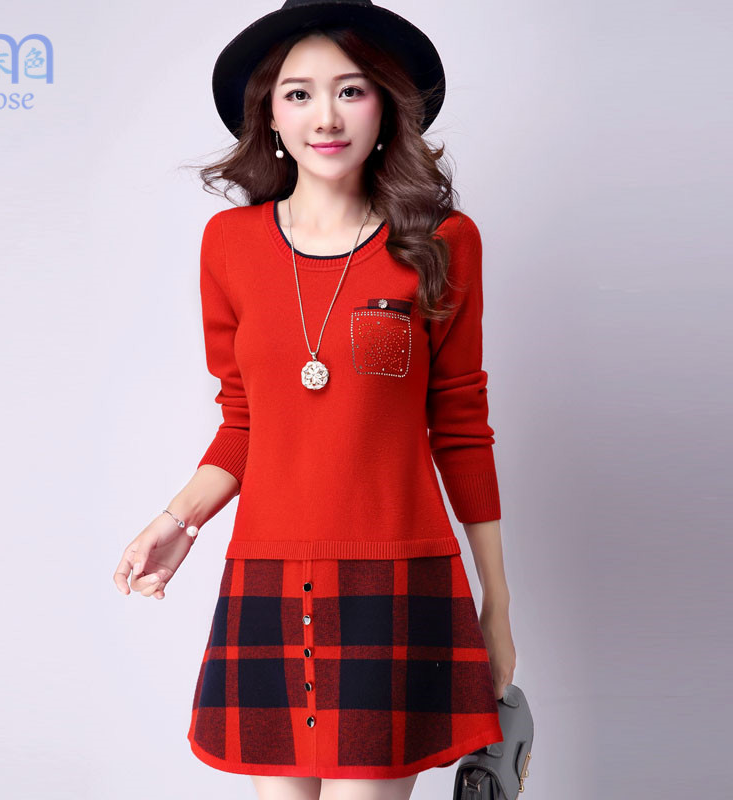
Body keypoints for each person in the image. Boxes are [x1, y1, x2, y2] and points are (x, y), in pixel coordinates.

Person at [112, 2, 516, 798]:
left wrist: (496, 605)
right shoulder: (229, 244)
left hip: (394, 579)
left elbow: (462, 426)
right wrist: (176, 522)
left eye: (350, 91)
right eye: (298, 94)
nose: (325, 117)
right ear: (268, 114)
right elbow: (245, 421)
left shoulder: (441, 241)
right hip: (266, 572)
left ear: (387, 107)